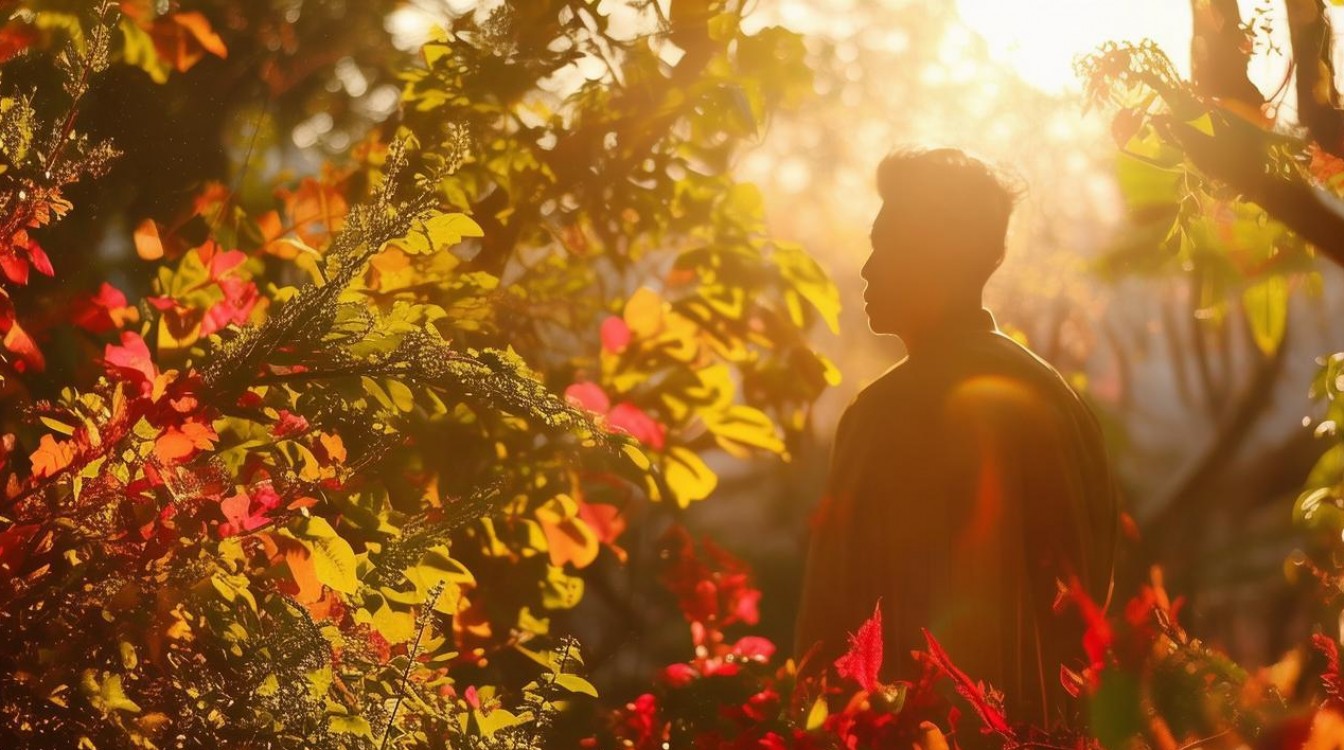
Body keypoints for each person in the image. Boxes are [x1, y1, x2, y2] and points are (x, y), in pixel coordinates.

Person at [795, 148, 1119, 730]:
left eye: (885, 244)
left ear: (935, 255)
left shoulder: (885, 412)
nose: (867, 269)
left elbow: (829, 632)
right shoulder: (1063, 405)